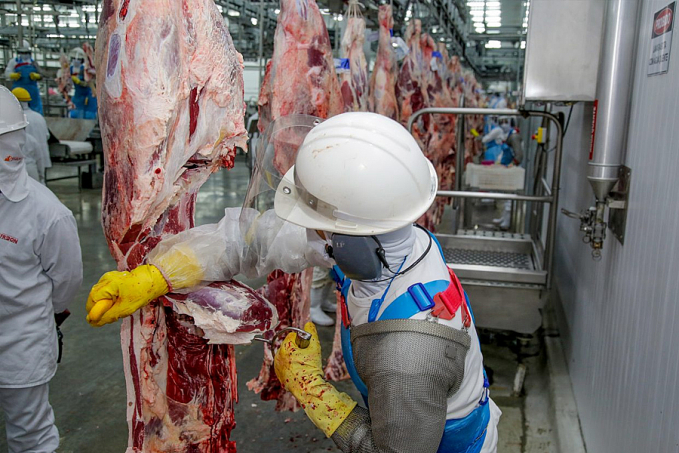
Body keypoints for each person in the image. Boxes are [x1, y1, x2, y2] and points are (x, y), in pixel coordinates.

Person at [86, 112, 501, 452]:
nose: (312, 238)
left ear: (350, 239)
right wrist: (158, 274)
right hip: (409, 413)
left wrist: (314, 391)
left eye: (320, 230)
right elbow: (252, 239)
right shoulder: (393, 244)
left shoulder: (409, 352)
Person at [0, 86, 83, 453]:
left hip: (20, 347)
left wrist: (39, 314)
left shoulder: (47, 213)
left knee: (29, 435)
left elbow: (67, 281)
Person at [12, 87, 52, 184]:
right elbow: (47, 136)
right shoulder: (39, 116)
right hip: (41, 159)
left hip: (23, 164)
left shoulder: (17, 118)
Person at [4, 41, 43, 115]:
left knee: (35, 110)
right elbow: (6, 73)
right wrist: (13, 75)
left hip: (32, 91)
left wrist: (37, 76)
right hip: (18, 89)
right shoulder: (14, 62)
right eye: (22, 53)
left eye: (26, 53)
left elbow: (42, 75)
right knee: (17, 109)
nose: (25, 55)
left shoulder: (33, 63)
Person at [69, 48, 97, 119]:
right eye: (74, 59)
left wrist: (80, 82)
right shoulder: (71, 69)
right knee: (74, 116)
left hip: (89, 97)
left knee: (88, 117)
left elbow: (91, 82)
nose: (76, 61)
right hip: (77, 97)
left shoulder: (86, 69)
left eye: (78, 59)